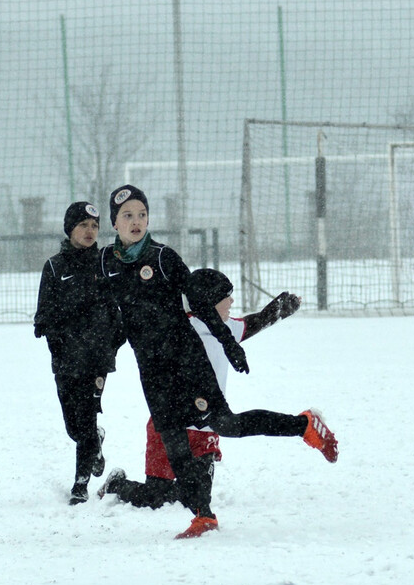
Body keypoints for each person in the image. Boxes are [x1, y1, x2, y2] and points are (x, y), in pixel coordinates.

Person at [99, 185, 339, 539]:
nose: (136, 222)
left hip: (185, 359)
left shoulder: (163, 258)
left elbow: (203, 306)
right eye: (127, 216)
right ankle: (203, 516)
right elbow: (116, 317)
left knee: (227, 424)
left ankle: (302, 425)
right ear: (114, 222)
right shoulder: (106, 263)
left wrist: (230, 344)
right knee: (171, 436)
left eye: (142, 215)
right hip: (150, 366)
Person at [98, 269, 308, 514]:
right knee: (155, 498)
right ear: (207, 300)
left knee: (194, 500)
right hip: (166, 426)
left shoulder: (227, 327)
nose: (232, 302)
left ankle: (186, 489)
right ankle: (117, 484)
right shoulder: (176, 327)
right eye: (226, 297)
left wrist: (280, 308)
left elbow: (256, 322)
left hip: (206, 429)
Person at [33, 201, 125, 504]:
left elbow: (119, 305)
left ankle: (80, 484)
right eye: (83, 225)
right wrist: (53, 338)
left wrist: (115, 337)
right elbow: (43, 312)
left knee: (85, 417)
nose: (89, 231)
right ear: (70, 228)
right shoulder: (54, 267)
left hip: (97, 357)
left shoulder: (106, 263)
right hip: (66, 359)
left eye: (95, 226)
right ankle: (93, 442)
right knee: (74, 425)